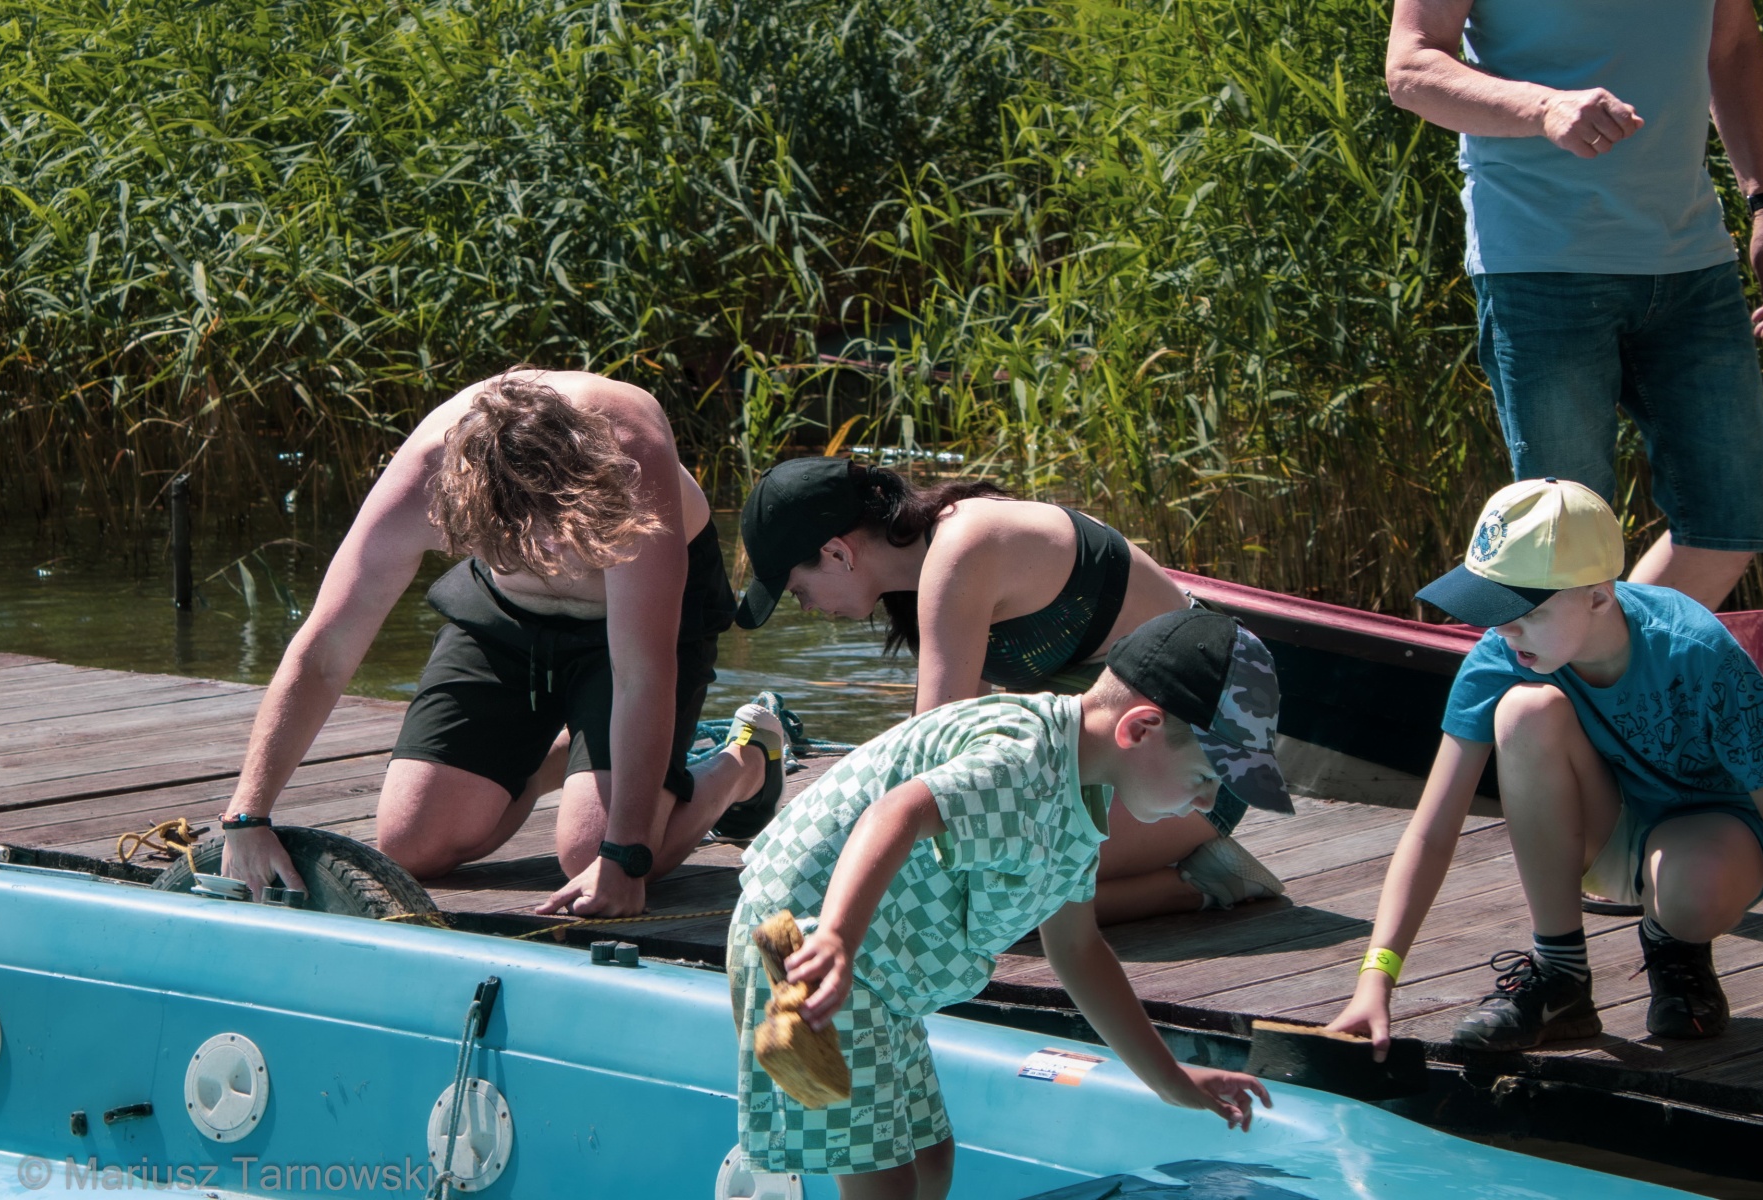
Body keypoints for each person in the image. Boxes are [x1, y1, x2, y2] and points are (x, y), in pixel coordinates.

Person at [729, 608, 1282, 1196]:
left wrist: (1170, 1080)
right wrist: (838, 936)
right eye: (1204, 777)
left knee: (931, 1160)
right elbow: (898, 812)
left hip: (881, 975)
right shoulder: (1021, 761)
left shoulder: (1082, 794)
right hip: (809, 949)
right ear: (1140, 728)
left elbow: (1077, 948)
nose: (1206, 803)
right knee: (886, 1182)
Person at [217, 369, 786, 918]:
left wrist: (626, 857)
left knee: (592, 853)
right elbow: (324, 651)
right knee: (413, 843)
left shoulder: (632, 454)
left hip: (640, 620)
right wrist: (247, 816)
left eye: (566, 527)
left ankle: (744, 763)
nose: (555, 552)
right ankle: (555, 758)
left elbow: (642, 673)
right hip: (505, 613)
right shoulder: (424, 476)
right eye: (531, 534)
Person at [1329, 478, 1763, 1056]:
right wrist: (1375, 979)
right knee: (1523, 711)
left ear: (1598, 597)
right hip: (1605, 830)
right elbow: (1432, 828)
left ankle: (1674, 947)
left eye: (1523, 611)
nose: (1504, 630)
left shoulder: (1694, 648)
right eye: (1491, 609)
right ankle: (1560, 974)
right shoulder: (1502, 653)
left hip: (1717, 838)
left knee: (1691, 894)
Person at [732, 457, 1293, 925]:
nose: (806, 606)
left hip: (1201, 772)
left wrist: (832, 847)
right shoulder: (937, 556)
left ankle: (1193, 885)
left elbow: (930, 753)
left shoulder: (963, 548)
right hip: (1142, 768)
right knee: (945, 879)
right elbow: (954, 742)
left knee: (969, 901)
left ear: (837, 552)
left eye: (797, 589)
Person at [1385, 0, 1763, 610]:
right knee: (1564, 548)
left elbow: (1731, 47)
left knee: (1733, 522)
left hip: (1693, 259)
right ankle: (1557, 664)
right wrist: (1544, 107)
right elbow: (1410, 67)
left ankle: (1615, 660)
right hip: (1540, 265)